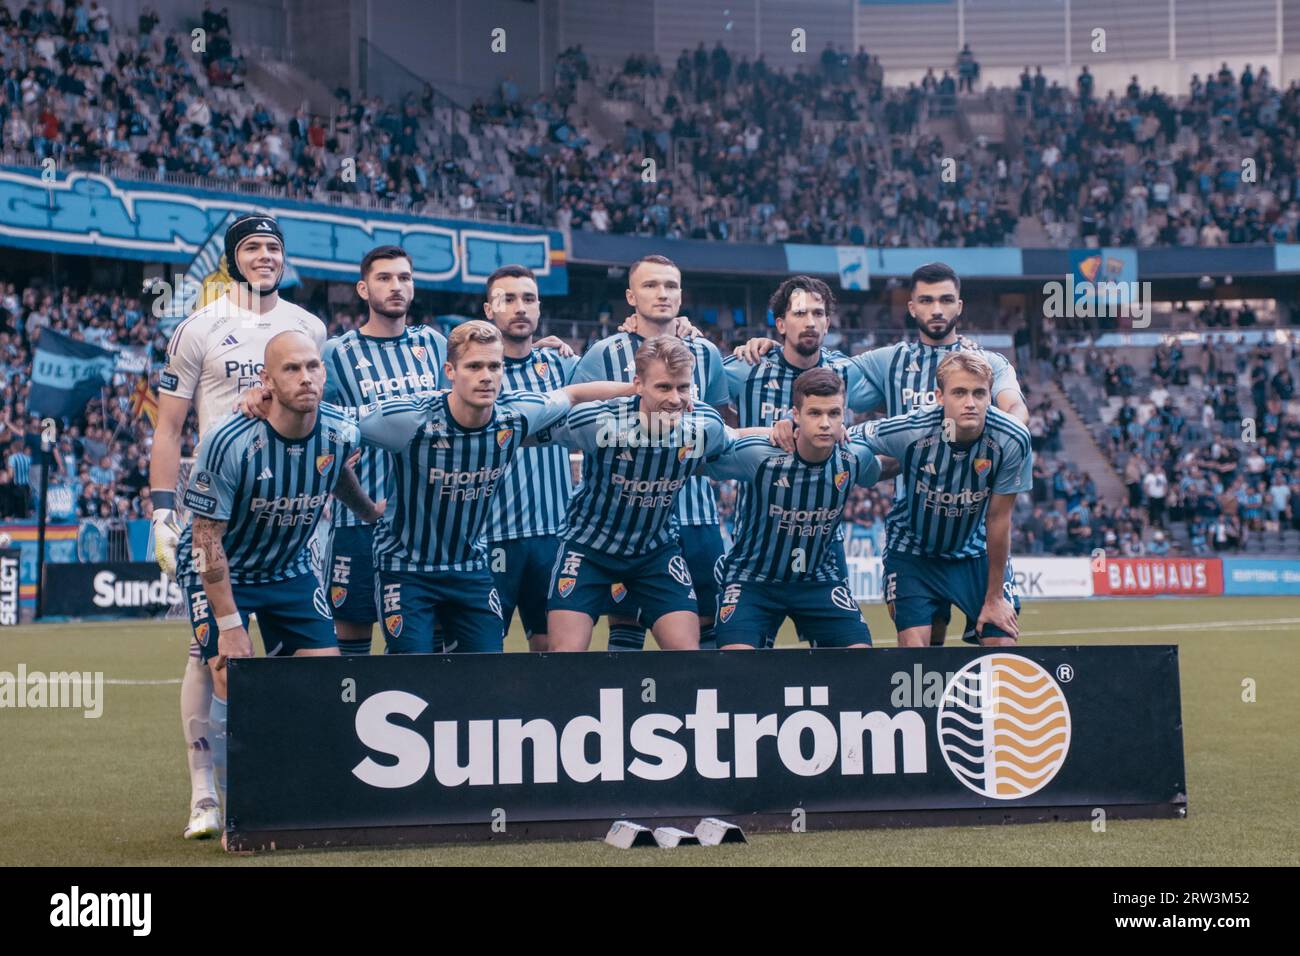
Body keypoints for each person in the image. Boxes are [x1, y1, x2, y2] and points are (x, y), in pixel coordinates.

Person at [737, 262, 1028, 644]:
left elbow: (1016, 411)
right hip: (913, 528)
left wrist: (998, 434)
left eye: (945, 300)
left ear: (960, 306)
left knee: (999, 641)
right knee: (926, 646)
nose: (936, 309)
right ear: (911, 307)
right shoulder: (889, 361)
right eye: (926, 300)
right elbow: (817, 371)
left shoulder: (987, 363)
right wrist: (775, 347)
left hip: (971, 528)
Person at [150, 214, 325, 840]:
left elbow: (322, 406)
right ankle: (205, 794)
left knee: (303, 653)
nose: (265, 257)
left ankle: (291, 780)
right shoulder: (198, 327)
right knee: (209, 652)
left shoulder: (310, 328)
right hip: (218, 517)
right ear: (232, 260)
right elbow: (169, 428)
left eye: (274, 247)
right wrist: (160, 510)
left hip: (296, 515)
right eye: (252, 247)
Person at [177, 333, 381, 795]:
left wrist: (367, 510)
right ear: (266, 380)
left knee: (325, 681)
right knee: (231, 674)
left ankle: (300, 789)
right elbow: (206, 538)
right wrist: (230, 624)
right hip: (224, 572)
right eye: (291, 369)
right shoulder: (226, 441)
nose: (306, 377)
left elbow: (336, 473)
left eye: (313, 366)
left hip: (289, 570)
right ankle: (234, 803)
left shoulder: (340, 430)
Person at [355, 321, 629, 655]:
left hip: (469, 566)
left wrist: (640, 392)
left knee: (489, 672)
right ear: (450, 371)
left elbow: (574, 394)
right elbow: (334, 424)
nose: (486, 376)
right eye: (474, 366)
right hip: (406, 569)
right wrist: (365, 508)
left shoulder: (514, 415)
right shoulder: (408, 419)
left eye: (494, 366)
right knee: (413, 673)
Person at [541, 336, 757, 652]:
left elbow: (735, 438)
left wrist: (786, 432)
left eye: (683, 388)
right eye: (663, 387)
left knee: (687, 653)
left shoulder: (702, 426)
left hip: (655, 550)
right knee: (566, 656)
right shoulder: (599, 422)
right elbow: (528, 430)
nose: (675, 398)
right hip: (588, 547)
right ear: (638, 385)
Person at [569, 255, 729, 651]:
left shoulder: (706, 353)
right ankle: (626, 713)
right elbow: (577, 424)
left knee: (706, 625)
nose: (662, 293)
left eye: (670, 286)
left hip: (696, 513)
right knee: (626, 620)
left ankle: (701, 709)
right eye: (651, 285)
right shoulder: (602, 354)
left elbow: (718, 425)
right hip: (627, 525)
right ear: (630, 296)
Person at [854, 352, 1033, 647]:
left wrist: (995, 599)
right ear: (940, 396)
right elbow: (848, 437)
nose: (970, 402)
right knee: (916, 651)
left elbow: (999, 518)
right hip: (913, 549)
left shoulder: (1012, 438)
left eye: (979, 393)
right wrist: (782, 430)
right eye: (959, 392)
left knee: (1002, 647)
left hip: (973, 550)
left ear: (990, 396)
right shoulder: (912, 429)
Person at [704, 368, 890, 649]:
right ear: (796, 415)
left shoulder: (854, 458)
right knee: (736, 665)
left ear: (845, 416)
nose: (825, 423)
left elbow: (886, 467)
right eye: (815, 413)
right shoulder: (760, 454)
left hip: (817, 579)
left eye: (834, 414)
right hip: (753, 579)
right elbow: (697, 461)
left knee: (861, 659)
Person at [479, 265, 580, 652]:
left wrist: (679, 327)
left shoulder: (563, 366)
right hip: (490, 536)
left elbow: (632, 369)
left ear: (539, 308)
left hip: (554, 535)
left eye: (529, 299)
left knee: (554, 651)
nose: (520, 307)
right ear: (489, 309)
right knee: (481, 654)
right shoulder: (475, 371)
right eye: (508, 299)